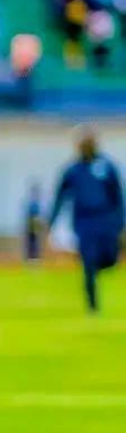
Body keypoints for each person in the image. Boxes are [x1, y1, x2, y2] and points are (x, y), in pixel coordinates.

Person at [48, 126, 124, 314]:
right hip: (84, 222)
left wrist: (121, 222)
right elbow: (61, 196)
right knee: (88, 262)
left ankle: (97, 266)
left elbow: (118, 196)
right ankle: (92, 306)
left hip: (106, 220)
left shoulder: (107, 166)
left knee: (110, 259)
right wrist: (52, 221)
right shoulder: (72, 170)